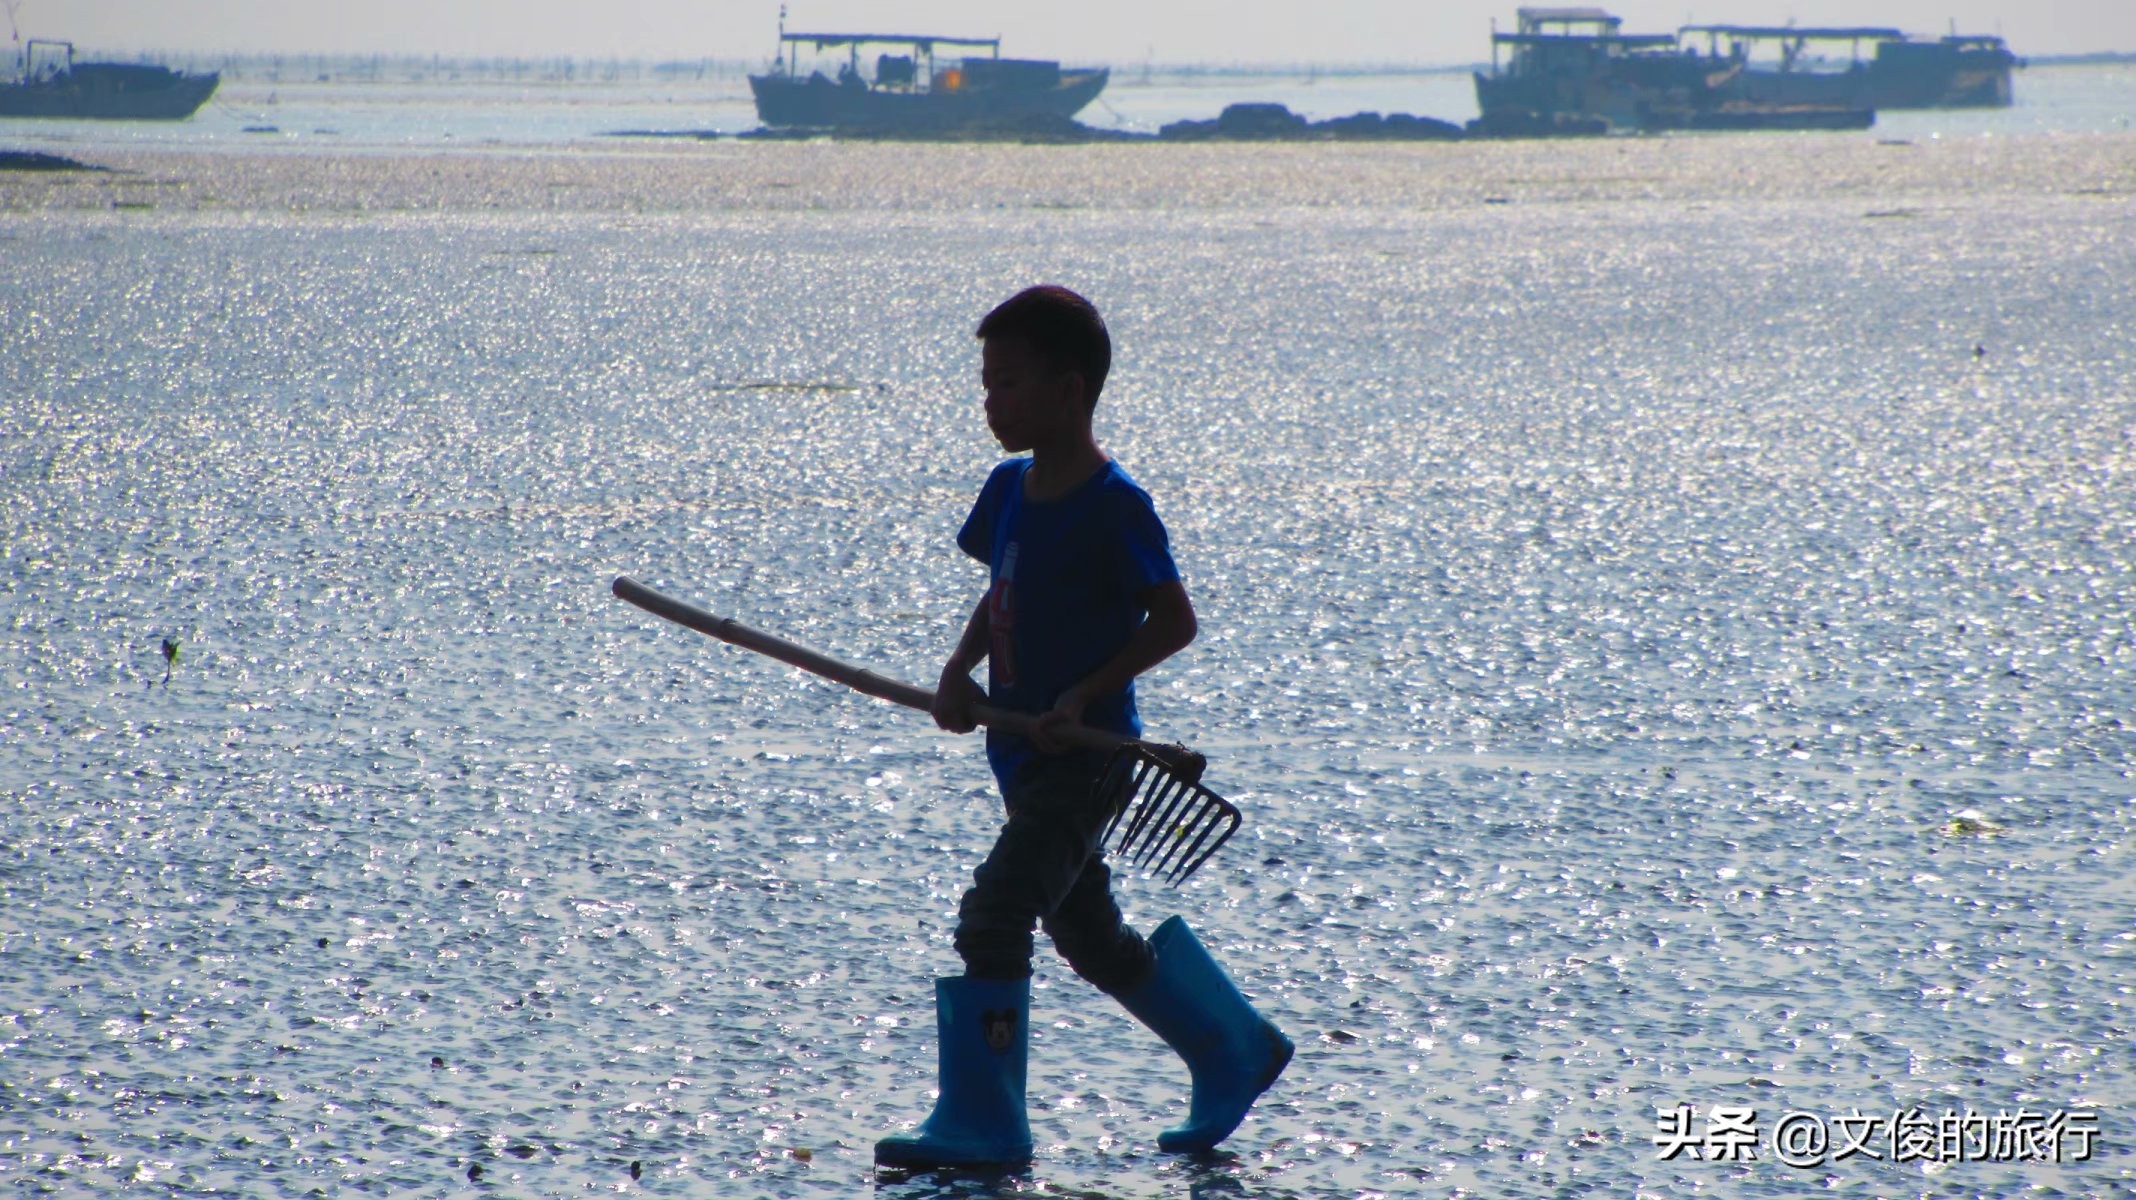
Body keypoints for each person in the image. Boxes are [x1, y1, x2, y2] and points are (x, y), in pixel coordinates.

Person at [874, 285, 1293, 1170]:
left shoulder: (1114, 503)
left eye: (1009, 385)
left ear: (1070, 391)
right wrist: (958, 672)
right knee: (1087, 934)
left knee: (995, 915)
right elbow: (1002, 590)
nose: (991, 403)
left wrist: (1083, 694)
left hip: (1087, 760)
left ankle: (986, 1123)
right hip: (1019, 752)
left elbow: (1174, 622)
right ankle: (1232, 1044)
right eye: (986, 386)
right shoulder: (1007, 489)